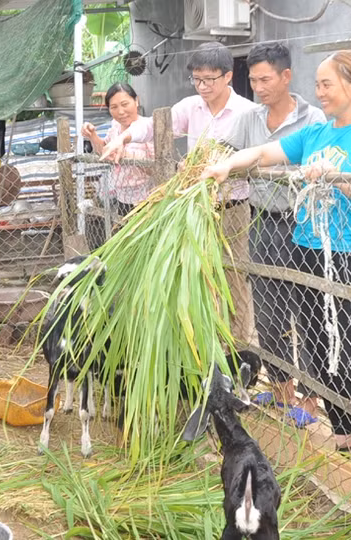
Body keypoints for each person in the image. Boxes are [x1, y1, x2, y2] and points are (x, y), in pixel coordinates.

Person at [201, 49, 351, 464]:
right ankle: (343, 433)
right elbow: (261, 154)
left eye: (327, 84)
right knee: (315, 344)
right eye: (318, 85)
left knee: (345, 347)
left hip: (349, 253)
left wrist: (331, 176)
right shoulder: (315, 134)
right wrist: (223, 166)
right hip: (306, 249)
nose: (320, 92)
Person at [101, 42, 257, 347]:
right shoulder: (190, 106)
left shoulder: (247, 113)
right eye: (197, 79)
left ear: (228, 77)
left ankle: (239, 351)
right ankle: (205, 346)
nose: (202, 86)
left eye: (209, 79)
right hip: (195, 206)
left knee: (234, 278)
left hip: (232, 207)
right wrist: (125, 136)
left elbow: (258, 154)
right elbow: (153, 126)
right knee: (199, 276)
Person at [223, 42, 326, 428]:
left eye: (265, 78)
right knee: (268, 311)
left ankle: (312, 401)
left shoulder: (314, 119)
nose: (259, 86)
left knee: (308, 311)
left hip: (305, 224)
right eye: (253, 80)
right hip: (264, 219)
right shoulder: (250, 118)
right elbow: (226, 150)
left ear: (286, 76)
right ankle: (283, 393)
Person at [81, 83, 154, 248]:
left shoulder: (148, 128)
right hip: (123, 200)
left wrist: (128, 156)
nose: (120, 111)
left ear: (136, 101)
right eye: (113, 107)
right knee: (128, 249)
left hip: (148, 201)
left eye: (125, 104)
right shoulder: (115, 128)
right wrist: (93, 135)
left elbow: (158, 169)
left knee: (146, 247)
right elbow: (103, 151)